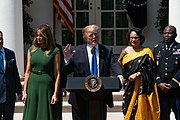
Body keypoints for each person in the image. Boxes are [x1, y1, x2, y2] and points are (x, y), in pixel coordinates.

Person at [62, 24, 124, 120]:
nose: (94, 37)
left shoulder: (107, 50)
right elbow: (66, 70)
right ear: (85, 37)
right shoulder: (76, 51)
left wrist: (119, 75)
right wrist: (66, 60)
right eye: (91, 35)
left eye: (96, 34)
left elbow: (114, 64)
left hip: (101, 94)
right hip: (80, 97)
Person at [118, 27, 160, 120]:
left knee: (141, 111)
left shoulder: (147, 52)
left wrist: (138, 74)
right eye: (131, 37)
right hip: (129, 86)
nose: (133, 40)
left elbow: (151, 70)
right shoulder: (125, 52)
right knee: (128, 110)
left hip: (143, 87)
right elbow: (120, 66)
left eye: (136, 38)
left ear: (141, 38)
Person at [22, 24, 61, 120]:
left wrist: (55, 93)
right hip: (33, 84)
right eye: (37, 35)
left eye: (41, 36)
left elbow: (57, 74)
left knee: (45, 113)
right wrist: (25, 92)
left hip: (46, 85)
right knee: (31, 112)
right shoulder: (32, 50)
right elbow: (27, 72)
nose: (38, 38)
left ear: (47, 37)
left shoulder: (55, 51)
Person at [153, 25, 180, 120]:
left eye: (169, 33)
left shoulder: (179, 48)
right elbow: (153, 68)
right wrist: (159, 82)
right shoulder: (157, 48)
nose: (166, 35)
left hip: (176, 89)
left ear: (175, 35)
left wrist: (173, 83)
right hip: (161, 90)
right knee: (163, 115)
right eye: (165, 33)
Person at [0, 31, 22, 120]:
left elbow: (15, 74)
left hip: (9, 95)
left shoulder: (10, 53)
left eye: (1, 38)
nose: (0, 41)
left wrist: (19, 91)